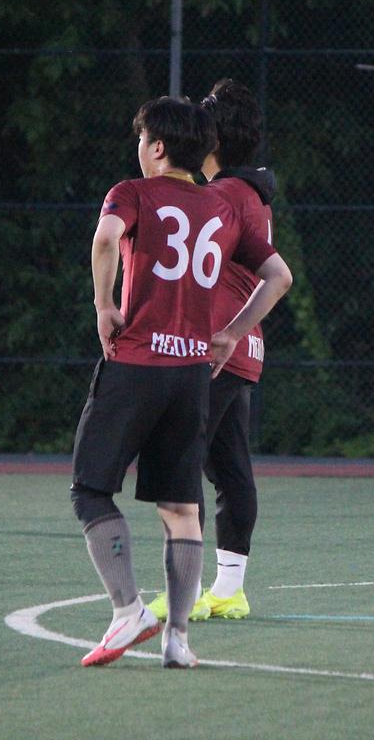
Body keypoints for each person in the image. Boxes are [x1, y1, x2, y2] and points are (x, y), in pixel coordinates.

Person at [71, 96, 292, 669]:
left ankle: (127, 610)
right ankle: (178, 640)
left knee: (91, 489)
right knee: (180, 505)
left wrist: (103, 305)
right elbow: (278, 275)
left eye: (142, 140)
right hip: (193, 372)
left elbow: (105, 238)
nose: (139, 149)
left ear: (159, 147)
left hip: (138, 362)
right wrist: (232, 333)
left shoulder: (133, 192)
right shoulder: (222, 206)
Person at [146, 79, 274, 622]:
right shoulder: (250, 192)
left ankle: (188, 590)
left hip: (215, 345)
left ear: (213, 139)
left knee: (180, 463)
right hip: (242, 347)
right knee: (229, 466)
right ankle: (229, 589)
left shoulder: (220, 196)